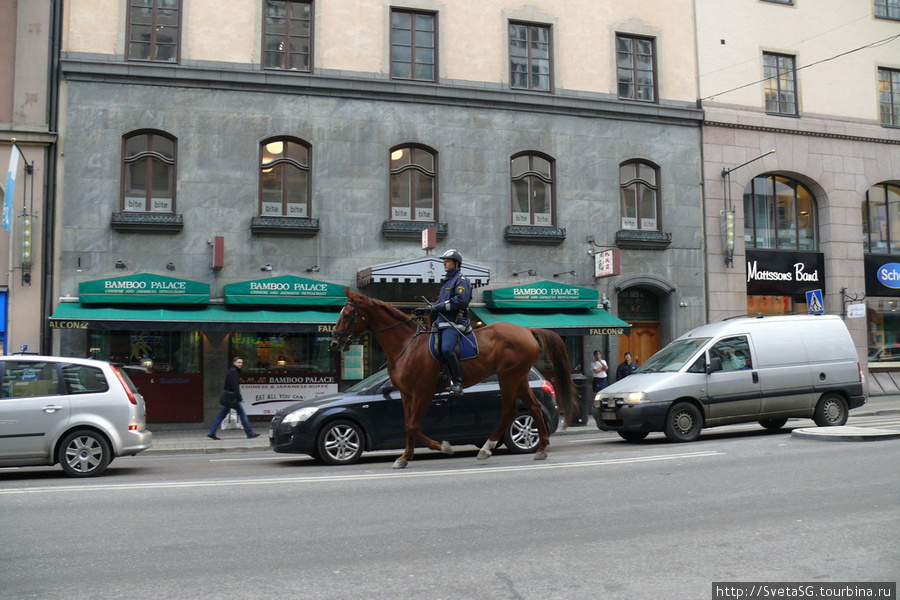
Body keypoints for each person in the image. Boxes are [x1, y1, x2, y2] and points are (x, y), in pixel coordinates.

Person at [413, 249, 472, 395]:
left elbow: (459, 301)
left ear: (456, 263)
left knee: (446, 349)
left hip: (454, 322)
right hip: (441, 322)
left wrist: (434, 308)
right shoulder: (448, 281)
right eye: (444, 261)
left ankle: (458, 383)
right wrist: (427, 309)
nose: (444, 264)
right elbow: (441, 303)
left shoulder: (461, 280)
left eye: (447, 261)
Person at [207, 357, 260, 440]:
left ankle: (211, 432)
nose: (240, 364)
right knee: (242, 415)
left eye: (241, 363)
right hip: (232, 398)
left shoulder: (233, 371)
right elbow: (235, 386)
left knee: (221, 415)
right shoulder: (233, 372)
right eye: (239, 362)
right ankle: (249, 433)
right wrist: (239, 397)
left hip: (230, 398)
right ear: (234, 362)